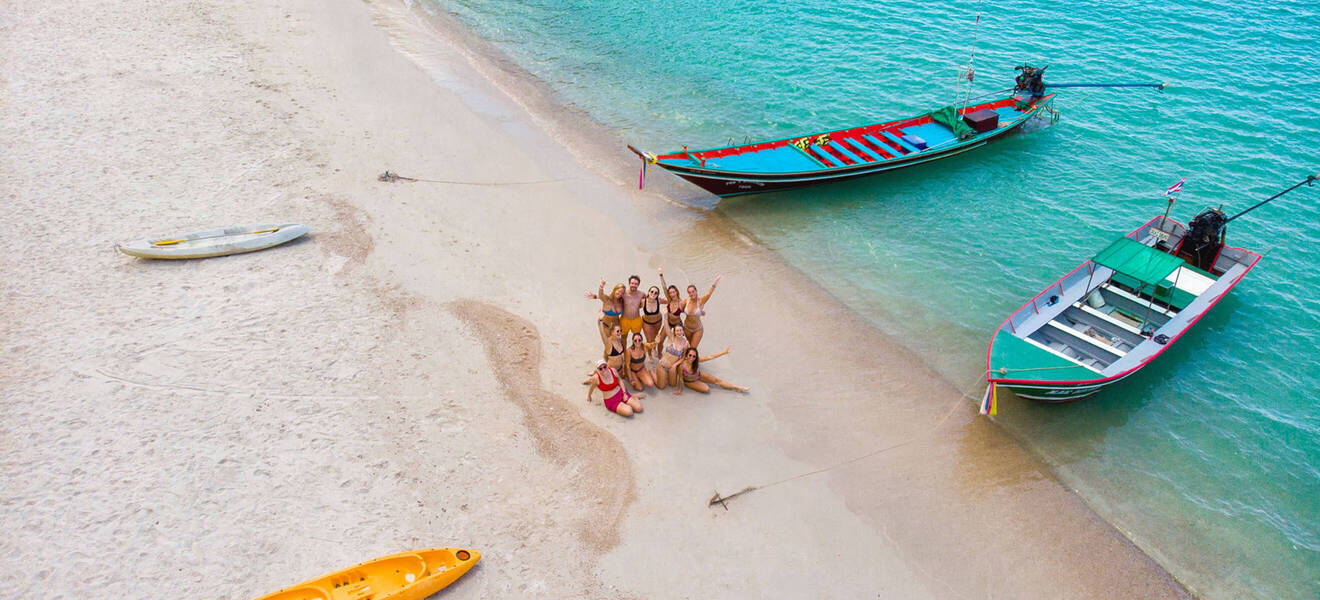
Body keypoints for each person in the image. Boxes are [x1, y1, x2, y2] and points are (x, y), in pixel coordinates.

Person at [671, 347, 747, 395]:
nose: (692, 357)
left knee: (717, 381)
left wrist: (723, 352)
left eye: (694, 356)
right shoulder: (681, 366)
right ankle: (698, 384)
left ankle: (738, 388)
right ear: (686, 356)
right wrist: (679, 389)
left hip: (698, 375)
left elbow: (710, 357)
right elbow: (680, 378)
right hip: (690, 382)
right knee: (707, 389)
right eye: (690, 355)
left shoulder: (696, 361)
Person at [680, 275, 721, 349]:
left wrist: (715, 283)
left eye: (693, 291)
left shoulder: (701, 301)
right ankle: (694, 359)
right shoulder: (686, 301)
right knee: (690, 348)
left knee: (693, 349)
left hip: (697, 329)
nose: (692, 294)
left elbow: (709, 294)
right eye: (689, 292)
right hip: (686, 328)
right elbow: (681, 310)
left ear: (696, 291)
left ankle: (694, 359)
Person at [653, 322, 689, 390]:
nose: (679, 332)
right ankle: (651, 373)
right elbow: (666, 327)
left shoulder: (686, 343)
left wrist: (675, 365)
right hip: (663, 365)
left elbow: (683, 357)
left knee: (672, 385)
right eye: (677, 330)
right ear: (674, 332)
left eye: (680, 330)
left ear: (683, 331)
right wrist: (665, 316)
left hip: (672, 367)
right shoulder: (671, 338)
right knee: (661, 386)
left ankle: (665, 376)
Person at [640, 285, 665, 351]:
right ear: (648, 292)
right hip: (647, 323)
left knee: (655, 336)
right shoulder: (643, 301)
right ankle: (650, 354)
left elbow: (670, 301)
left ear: (657, 295)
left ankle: (654, 348)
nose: (653, 294)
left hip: (658, 321)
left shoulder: (659, 300)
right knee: (649, 339)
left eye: (656, 293)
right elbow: (634, 306)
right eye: (652, 291)